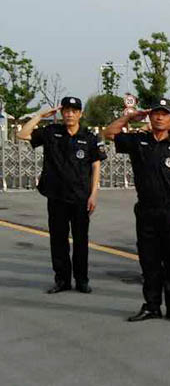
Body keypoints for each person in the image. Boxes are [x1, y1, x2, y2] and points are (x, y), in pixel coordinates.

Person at [104, 98, 170, 324]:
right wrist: (129, 117)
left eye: (164, 114)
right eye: (156, 113)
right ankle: (152, 306)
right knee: (149, 261)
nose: (159, 117)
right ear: (150, 115)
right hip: (146, 211)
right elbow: (109, 133)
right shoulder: (139, 141)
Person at [17, 97, 106, 294]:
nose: (69, 114)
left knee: (81, 241)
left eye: (74, 111)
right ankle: (62, 280)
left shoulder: (90, 138)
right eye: (66, 110)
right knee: (58, 240)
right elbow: (22, 134)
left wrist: (94, 194)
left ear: (80, 114)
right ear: (61, 113)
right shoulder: (51, 132)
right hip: (56, 196)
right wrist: (40, 115)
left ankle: (82, 280)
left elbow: (96, 165)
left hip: (81, 197)